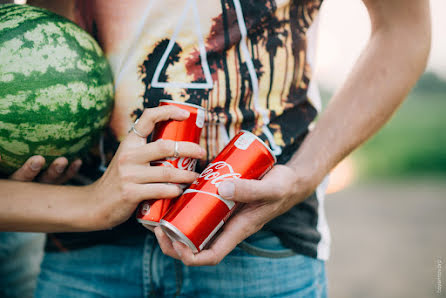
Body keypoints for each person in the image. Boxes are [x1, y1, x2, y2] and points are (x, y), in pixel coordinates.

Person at [1, 0, 431, 297]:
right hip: (82, 245)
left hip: (264, 238)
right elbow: (48, 21)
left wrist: (303, 175)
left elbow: (404, 28)